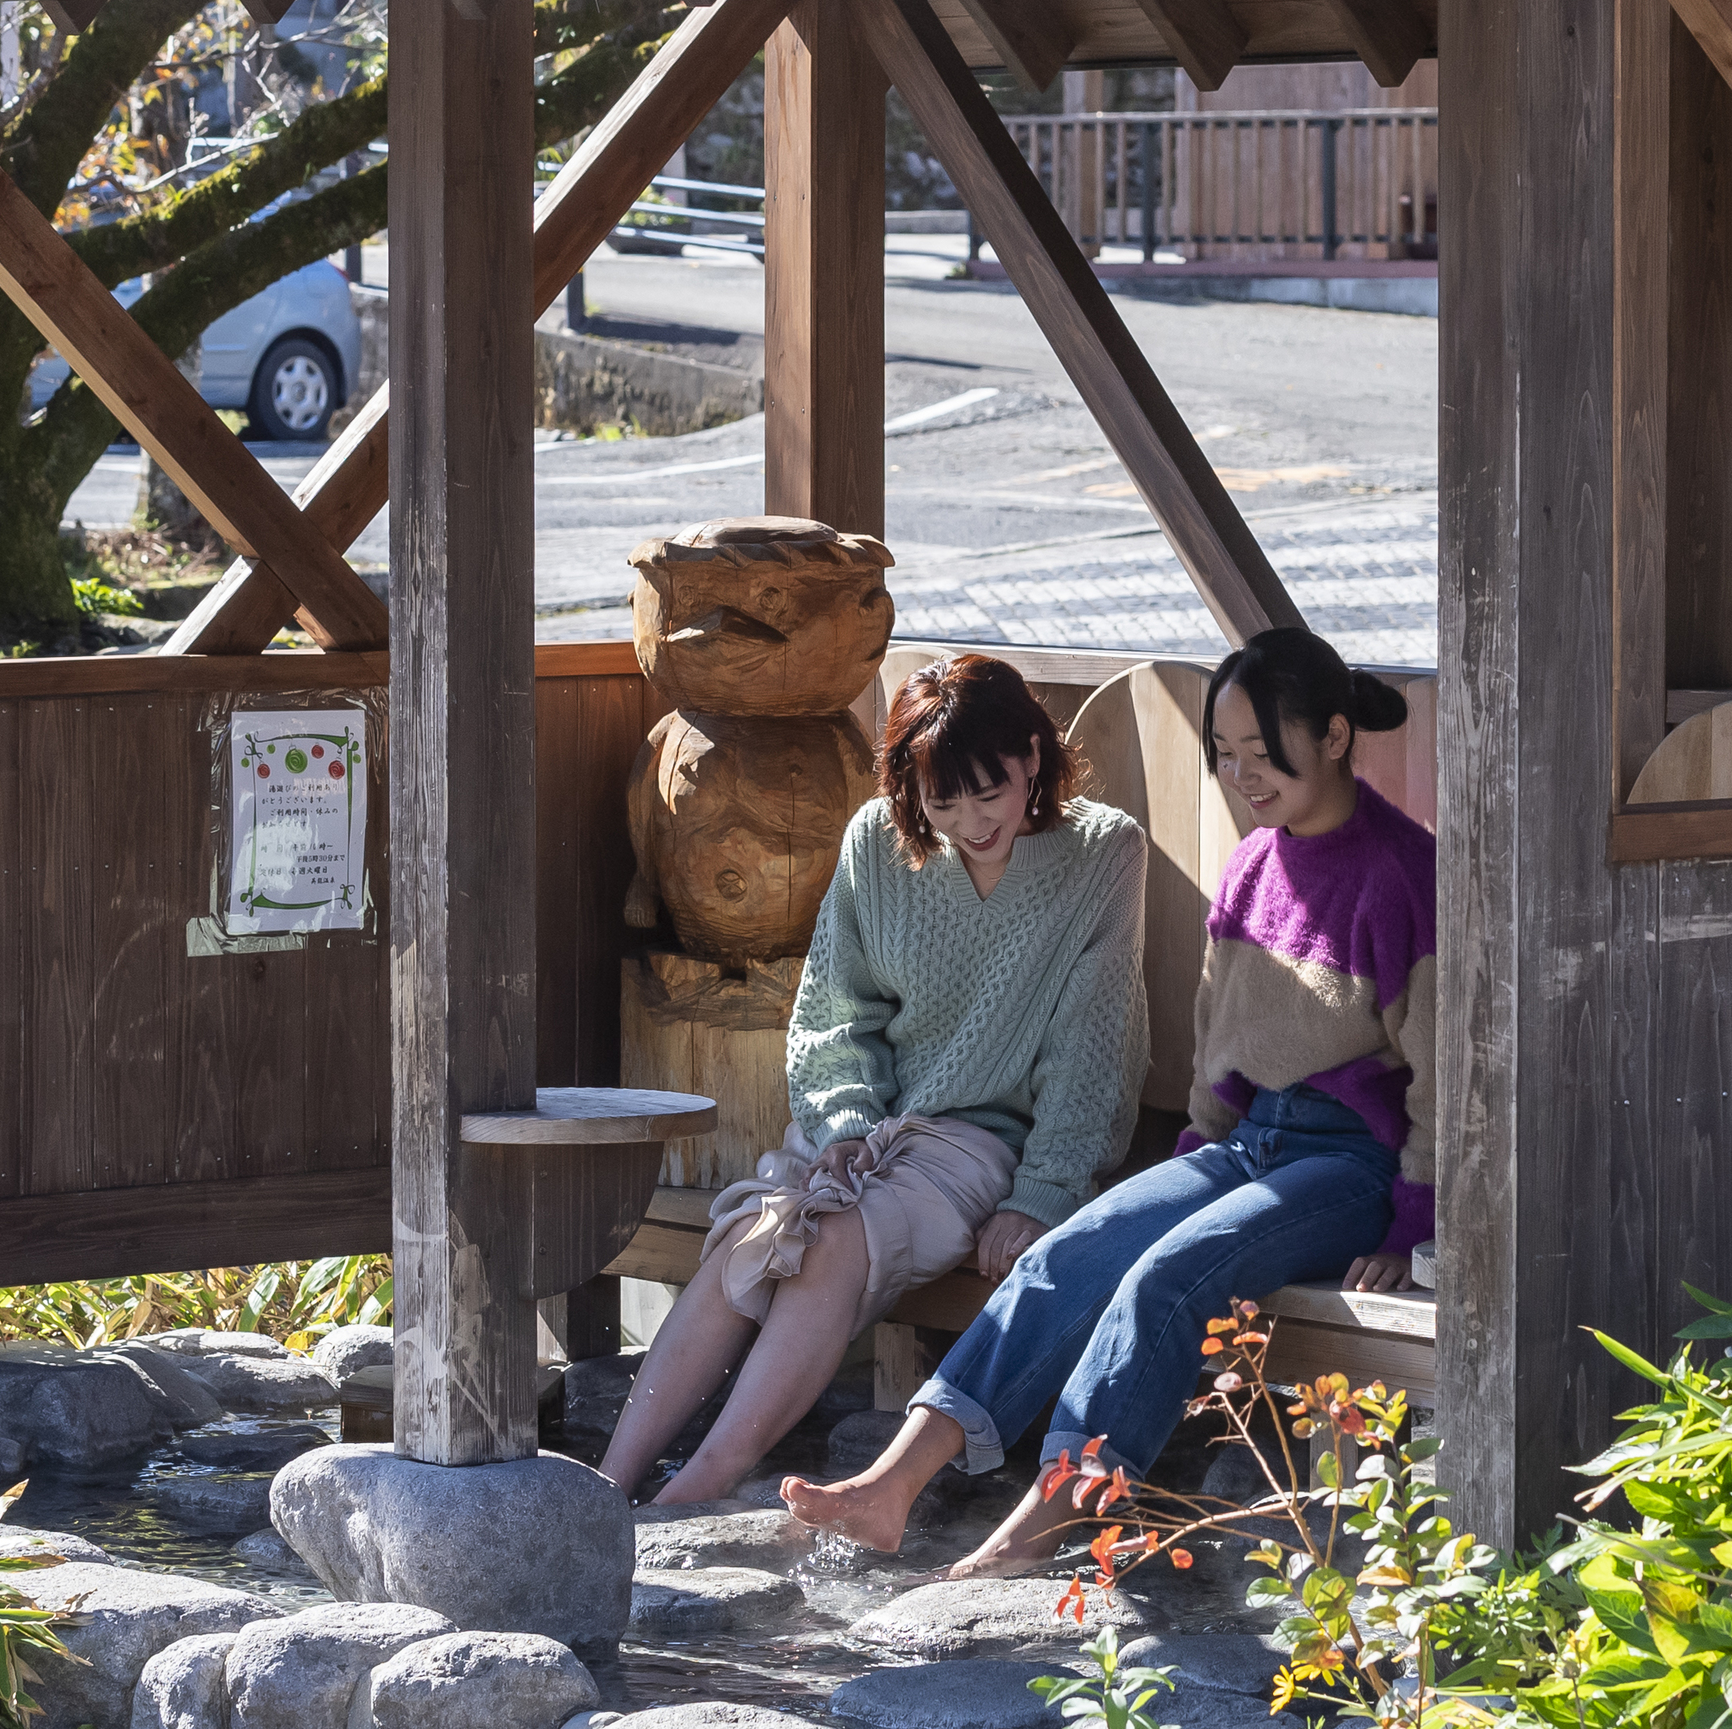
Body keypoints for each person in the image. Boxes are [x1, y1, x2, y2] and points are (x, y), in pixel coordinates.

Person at [782, 627, 1433, 1575]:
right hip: (1249, 1145)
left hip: (1350, 1162)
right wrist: (1189, 1172)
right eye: (1226, 754)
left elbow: (1448, 1080)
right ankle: (888, 1487)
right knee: (1069, 1251)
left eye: (1264, 751)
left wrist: (1407, 1227)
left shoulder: (1402, 873)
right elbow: (1219, 1045)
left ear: (1334, 736)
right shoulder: (1254, 865)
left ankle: (1049, 1519)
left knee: (1168, 1281)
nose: (1245, 776)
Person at [599, 654, 1145, 1509]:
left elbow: (1093, 1046)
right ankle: (609, 1482)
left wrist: (1040, 1193)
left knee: (830, 1245)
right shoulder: (874, 844)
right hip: (866, 1126)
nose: (971, 821)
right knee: (760, 1235)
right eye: (943, 800)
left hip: (985, 1141)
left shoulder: (1102, 852)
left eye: (990, 791)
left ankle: (695, 1490)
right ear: (909, 790)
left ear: (1032, 759)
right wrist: (844, 1124)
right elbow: (830, 1008)